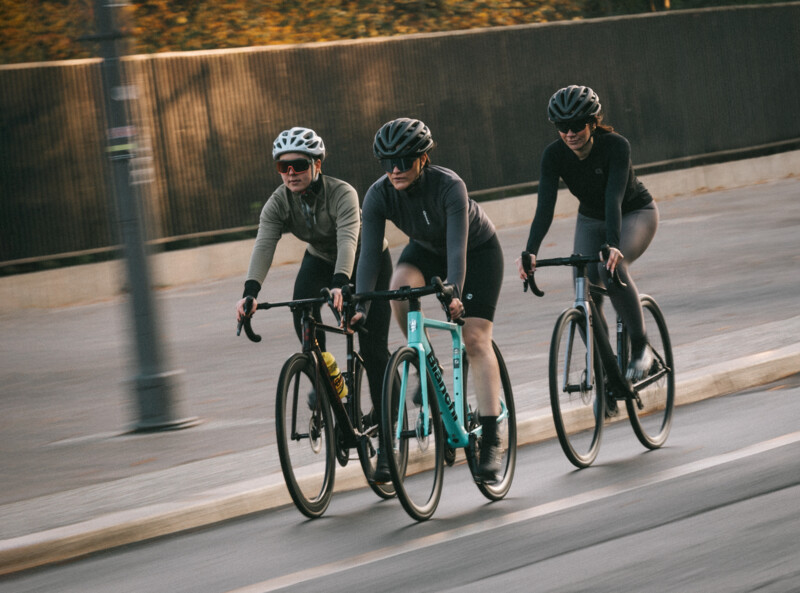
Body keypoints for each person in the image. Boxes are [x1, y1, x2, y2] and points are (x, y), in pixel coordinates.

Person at [351, 117, 505, 483]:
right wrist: (359, 304)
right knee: (399, 285)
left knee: (474, 339)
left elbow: (457, 247)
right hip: (423, 251)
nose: (395, 170)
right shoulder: (378, 194)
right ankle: (424, 361)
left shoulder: (449, 185)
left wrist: (454, 289)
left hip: (476, 253)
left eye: (403, 161)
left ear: (423, 159)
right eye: (387, 163)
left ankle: (493, 437)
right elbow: (370, 254)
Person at [235, 126, 393, 422]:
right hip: (319, 258)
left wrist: (339, 284)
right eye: (284, 166)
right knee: (302, 311)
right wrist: (250, 293)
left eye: (300, 165)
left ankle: (388, 418)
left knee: (371, 347)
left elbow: (347, 239)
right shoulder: (278, 202)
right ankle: (328, 376)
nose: (291, 173)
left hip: (366, 259)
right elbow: (264, 243)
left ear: (317, 164)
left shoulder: (342, 192)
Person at [517, 85, 659, 384]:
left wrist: (612, 243)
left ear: (593, 122)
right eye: (562, 127)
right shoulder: (553, 155)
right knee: (584, 289)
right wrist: (530, 251)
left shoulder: (616, 145)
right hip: (589, 218)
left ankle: (640, 348)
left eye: (577, 125)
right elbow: (544, 208)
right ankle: (604, 366)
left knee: (611, 269)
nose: (570, 133)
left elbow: (613, 198)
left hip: (634, 213)